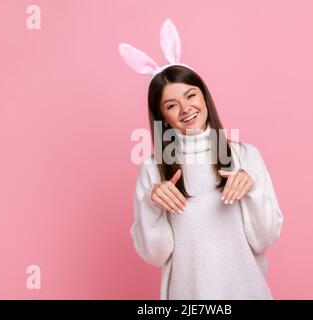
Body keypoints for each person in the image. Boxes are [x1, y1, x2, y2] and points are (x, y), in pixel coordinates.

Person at [120, 19, 284, 300]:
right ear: (163, 117)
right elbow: (155, 254)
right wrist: (151, 203)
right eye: (172, 105)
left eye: (190, 95)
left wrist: (252, 189)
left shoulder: (245, 156)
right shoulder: (153, 169)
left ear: (204, 96)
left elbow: (264, 239)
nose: (186, 109)